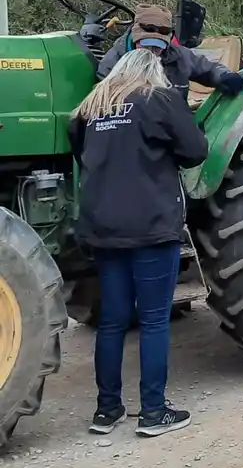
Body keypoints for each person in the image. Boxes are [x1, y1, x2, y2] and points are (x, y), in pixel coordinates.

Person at [68, 48, 209, 438]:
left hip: (104, 226)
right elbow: (196, 150)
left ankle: (106, 410)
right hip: (150, 223)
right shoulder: (157, 99)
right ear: (153, 73)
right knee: (152, 319)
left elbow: (80, 152)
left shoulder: (91, 106)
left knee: (112, 321)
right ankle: (153, 412)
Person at [98, 4, 243, 101]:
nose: (152, 53)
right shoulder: (112, 63)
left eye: (158, 47)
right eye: (147, 46)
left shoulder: (179, 56)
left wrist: (224, 75)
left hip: (174, 124)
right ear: (134, 35)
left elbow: (209, 69)